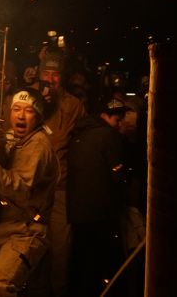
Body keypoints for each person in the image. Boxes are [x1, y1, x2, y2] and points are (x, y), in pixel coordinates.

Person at [0, 88, 58, 297]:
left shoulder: (38, 145)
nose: (21, 116)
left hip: (26, 231)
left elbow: (20, 188)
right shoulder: (12, 139)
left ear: (39, 116)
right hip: (3, 228)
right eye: (16, 109)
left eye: (29, 111)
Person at [33, 49, 86, 297]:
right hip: (31, 190)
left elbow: (80, 145)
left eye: (55, 74)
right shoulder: (29, 99)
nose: (50, 79)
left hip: (61, 190)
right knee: (32, 248)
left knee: (60, 251)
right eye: (46, 73)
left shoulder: (73, 106)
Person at [67, 98, 129, 297]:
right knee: (102, 264)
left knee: (81, 262)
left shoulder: (79, 134)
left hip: (77, 212)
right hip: (100, 212)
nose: (119, 125)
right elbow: (117, 174)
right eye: (117, 120)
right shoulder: (109, 135)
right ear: (104, 116)